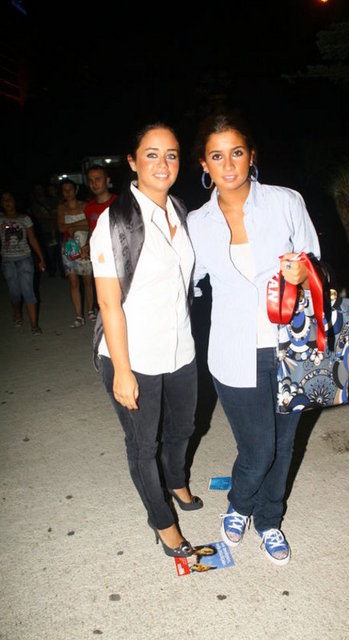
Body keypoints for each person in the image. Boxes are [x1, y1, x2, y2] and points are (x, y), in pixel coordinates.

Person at [187, 112, 322, 567]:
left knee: (284, 445)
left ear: (251, 155)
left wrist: (304, 272)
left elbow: (315, 259)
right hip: (232, 350)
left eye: (237, 153)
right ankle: (240, 503)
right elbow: (186, 282)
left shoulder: (286, 202)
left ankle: (269, 521)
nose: (228, 165)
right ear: (204, 164)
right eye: (217, 156)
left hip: (291, 345)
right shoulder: (197, 223)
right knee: (259, 447)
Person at [90, 123, 202, 558]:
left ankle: (176, 481)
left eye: (171, 154)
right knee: (143, 445)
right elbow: (108, 303)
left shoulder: (179, 209)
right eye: (151, 154)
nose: (163, 163)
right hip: (133, 356)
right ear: (133, 162)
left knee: (183, 428)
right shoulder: (115, 222)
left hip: (181, 348)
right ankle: (162, 521)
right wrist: (122, 371)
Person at [0, 190, 45, 334]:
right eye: (4, 199)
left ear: (15, 201)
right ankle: (17, 314)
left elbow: (32, 239)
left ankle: (34, 325)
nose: (7, 202)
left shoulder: (25, 218)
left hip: (25, 259)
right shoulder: (0, 220)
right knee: (14, 292)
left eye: (9, 199)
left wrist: (41, 258)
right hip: (8, 261)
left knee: (28, 291)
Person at [57, 178, 96, 327]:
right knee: (73, 282)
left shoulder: (85, 205)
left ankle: (90, 310)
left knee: (87, 281)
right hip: (69, 248)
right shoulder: (62, 208)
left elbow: (91, 224)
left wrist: (72, 226)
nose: (68, 193)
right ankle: (79, 316)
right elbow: (61, 227)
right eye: (65, 190)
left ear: (76, 190)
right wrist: (77, 225)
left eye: (70, 189)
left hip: (85, 247)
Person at [81, 164, 117, 319]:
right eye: (90, 180)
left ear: (107, 180)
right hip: (99, 259)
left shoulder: (119, 203)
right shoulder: (89, 207)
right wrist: (87, 246)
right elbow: (92, 229)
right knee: (103, 297)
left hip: (117, 255)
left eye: (98, 179)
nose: (94, 184)